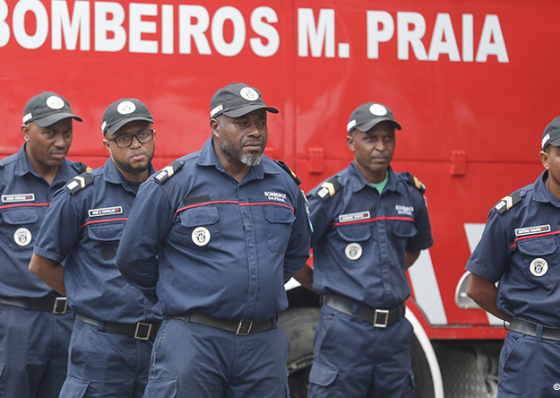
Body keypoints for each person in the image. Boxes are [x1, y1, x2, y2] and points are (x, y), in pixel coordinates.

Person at [115, 83, 310, 398]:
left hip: (262, 345)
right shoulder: (175, 183)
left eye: (260, 122)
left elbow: (297, 251)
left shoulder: (283, 183)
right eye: (243, 123)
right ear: (216, 127)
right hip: (193, 341)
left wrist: (256, 285)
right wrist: (178, 294)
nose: (256, 131)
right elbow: (132, 257)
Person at [297, 102, 434, 397]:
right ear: (351, 142)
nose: (381, 147)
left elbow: (413, 249)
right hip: (344, 330)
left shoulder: (410, 194)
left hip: (396, 332)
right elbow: (289, 253)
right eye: (371, 138)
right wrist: (326, 286)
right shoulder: (331, 196)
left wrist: (379, 270)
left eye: (388, 138)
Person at [29, 98, 160, 397]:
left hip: (160, 343)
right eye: (124, 138)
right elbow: (41, 263)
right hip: (102, 344)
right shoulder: (81, 195)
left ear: (154, 135)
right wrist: (89, 296)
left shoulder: (170, 191)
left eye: (143, 134)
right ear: (107, 144)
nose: (136, 144)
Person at [466, 117, 560, 397]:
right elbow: (478, 288)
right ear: (545, 159)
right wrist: (524, 323)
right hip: (533, 355)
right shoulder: (513, 215)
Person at [0, 91, 86, 398]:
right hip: (17, 323)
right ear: (26, 131)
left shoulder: (84, 183)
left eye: (67, 133)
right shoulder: (3, 181)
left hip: (72, 321)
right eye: (49, 133)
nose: (61, 142)